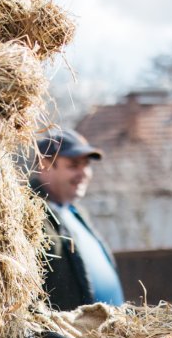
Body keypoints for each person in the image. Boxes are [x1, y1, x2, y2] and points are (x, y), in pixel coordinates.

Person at [31, 129, 125, 308]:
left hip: (108, 332)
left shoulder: (74, 212)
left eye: (86, 165)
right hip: (72, 334)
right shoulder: (32, 215)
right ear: (45, 165)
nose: (84, 173)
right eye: (73, 165)